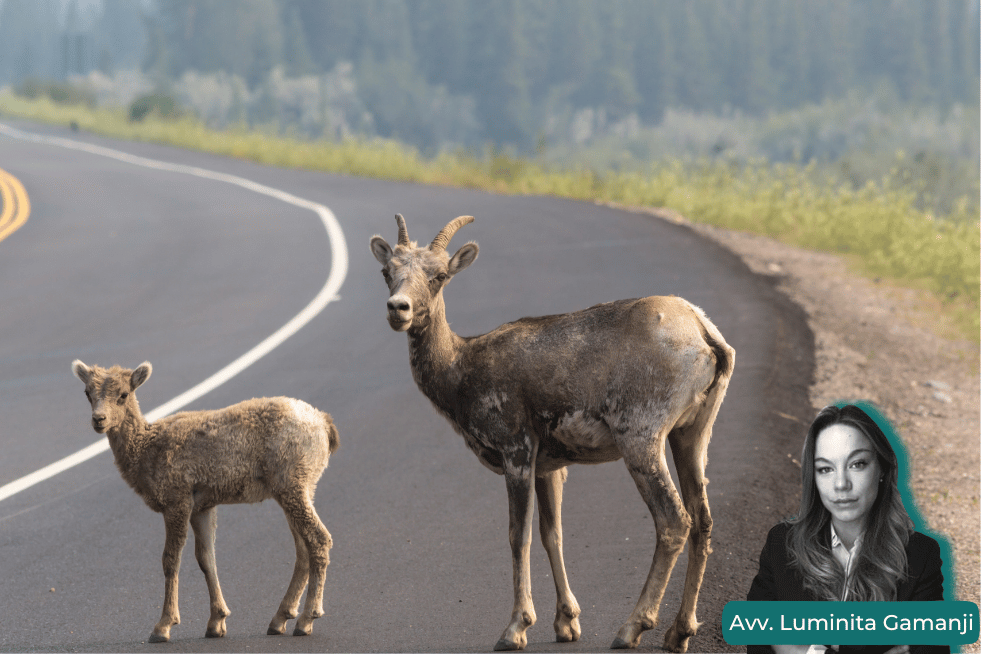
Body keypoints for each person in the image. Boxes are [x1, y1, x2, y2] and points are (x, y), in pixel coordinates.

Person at [747, 403, 948, 654]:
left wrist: (805, 650)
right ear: (814, 478)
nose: (841, 484)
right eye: (826, 469)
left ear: (882, 469)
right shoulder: (781, 545)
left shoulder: (920, 556)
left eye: (857, 464)